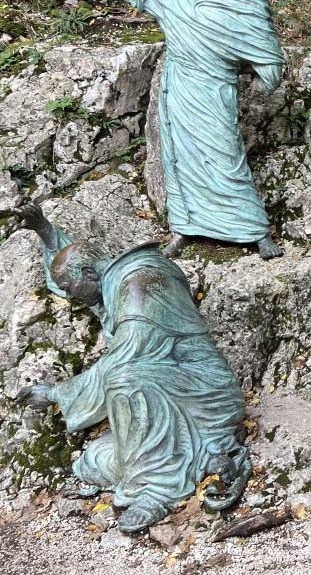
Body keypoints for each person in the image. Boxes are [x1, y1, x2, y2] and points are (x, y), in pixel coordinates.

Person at [14, 204, 251, 533]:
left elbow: (125, 358)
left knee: (125, 380)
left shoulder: (140, 285)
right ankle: (203, 457)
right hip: (165, 397)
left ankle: (159, 490)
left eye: (69, 288)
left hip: (203, 396)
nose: (69, 297)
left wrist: (57, 393)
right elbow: (75, 266)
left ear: (91, 275)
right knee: (92, 461)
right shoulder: (113, 282)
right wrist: (45, 231)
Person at [116, 0, 284, 259]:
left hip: (215, 94)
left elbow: (268, 61)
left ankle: (255, 229)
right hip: (179, 92)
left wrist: (233, 66)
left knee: (226, 159)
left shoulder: (245, 3)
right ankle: (184, 227)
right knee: (180, 159)